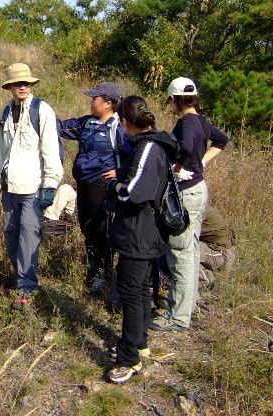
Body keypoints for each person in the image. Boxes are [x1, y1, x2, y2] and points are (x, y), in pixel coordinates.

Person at [105, 95, 177, 384]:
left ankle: (128, 358)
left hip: (140, 232)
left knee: (131, 292)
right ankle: (140, 342)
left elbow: (134, 193)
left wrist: (114, 186)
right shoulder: (155, 144)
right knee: (142, 289)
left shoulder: (147, 148)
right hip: (146, 231)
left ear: (125, 122)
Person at [150, 77, 229, 332]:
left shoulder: (185, 123)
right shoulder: (201, 121)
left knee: (180, 253)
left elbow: (183, 149)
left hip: (186, 193)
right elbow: (222, 140)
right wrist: (202, 161)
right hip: (199, 189)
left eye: (170, 101)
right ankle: (187, 307)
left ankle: (177, 317)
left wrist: (178, 167)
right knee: (191, 251)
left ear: (174, 100)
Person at [0, 63, 63, 310]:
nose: (22, 87)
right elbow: (0, 150)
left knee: (29, 235)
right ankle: (21, 276)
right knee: (11, 233)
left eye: (26, 83)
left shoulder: (42, 110)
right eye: (18, 83)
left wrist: (50, 184)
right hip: (9, 186)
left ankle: (27, 287)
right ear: (10, 87)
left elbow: (51, 149)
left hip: (33, 186)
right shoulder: (6, 112)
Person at [59, 82, 128, 296]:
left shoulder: (119, 127)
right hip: (83, 185)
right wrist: (39, 109)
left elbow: (132, 155)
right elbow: (60, 127)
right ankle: (93, 269)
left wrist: (118, 172)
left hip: (103, 187)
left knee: (101, 229)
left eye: (95, 98)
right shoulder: (86, 122)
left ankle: (103, 273)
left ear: (108, 103)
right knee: (87, 227)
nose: (91, 101)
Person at [198, 203, 236, 290]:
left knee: (186, 247)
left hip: (222, 254)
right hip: (212, 249)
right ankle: (204, 272)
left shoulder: (197, 208)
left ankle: (204, 280)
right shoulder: (198, 203)